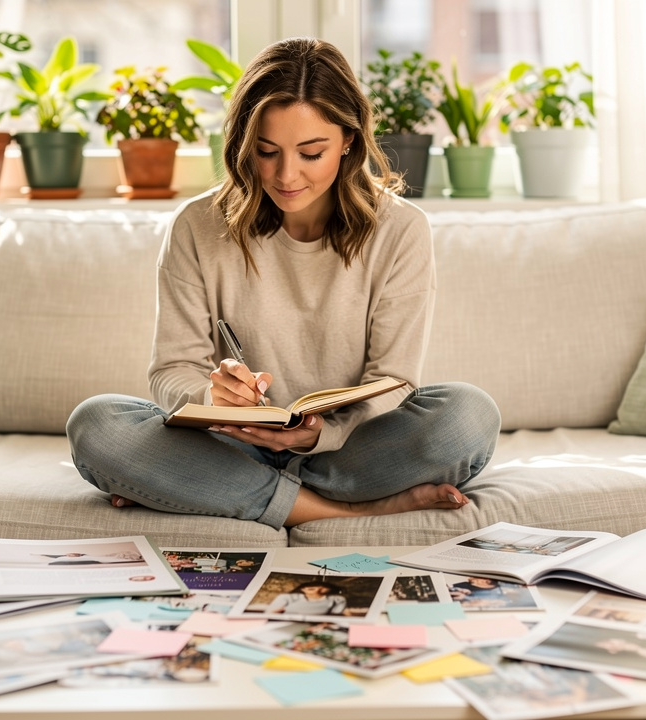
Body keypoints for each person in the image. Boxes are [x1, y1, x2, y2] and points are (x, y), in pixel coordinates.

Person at [66, 37, 501, 529]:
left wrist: (316, 437)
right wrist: (215, 400)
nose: (286, 175)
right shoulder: (196, 225)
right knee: (97, 425)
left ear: (349, 141)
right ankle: (337, 509)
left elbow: (394, 381)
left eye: (311, 153)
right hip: (229, 449)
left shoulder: (400, 229)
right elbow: (171, 371)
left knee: (468, 416)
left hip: (345, 450)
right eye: (266, 151)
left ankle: (216, 493)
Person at [265, 581, 348, 616]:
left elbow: (335, 617)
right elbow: (269, 613)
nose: (315, 587)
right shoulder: (286, 598)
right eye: (310, 586)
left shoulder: (337, 600)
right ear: (302, 588)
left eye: (322, 586)